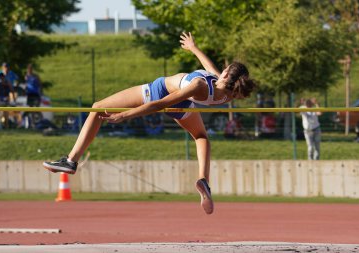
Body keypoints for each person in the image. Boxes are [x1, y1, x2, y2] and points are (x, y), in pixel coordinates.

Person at [43, 32, 256, 214]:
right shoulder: (228, 94)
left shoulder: (199, 85)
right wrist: (194, 48)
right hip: (184, 106)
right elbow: (211, 69)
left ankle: (71, 160)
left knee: (98, 107)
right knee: (201, 137)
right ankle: (204, 180)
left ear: (227, 73)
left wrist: (126, 115)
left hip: (160, 92)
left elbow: (159, 104)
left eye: (225, 69)